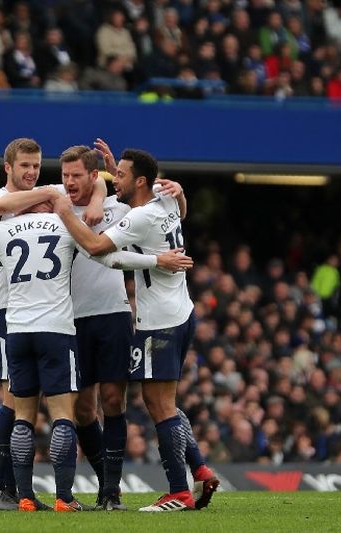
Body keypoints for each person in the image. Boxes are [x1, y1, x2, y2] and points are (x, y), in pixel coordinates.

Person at [0, 205, 191, 512]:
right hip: (56, 331)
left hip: (17, 332)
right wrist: (157, 260)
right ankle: (63, 496)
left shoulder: (1, 230)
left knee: (23, 417)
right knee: (63, 416)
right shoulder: (65, 225)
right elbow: (109, 257)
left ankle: (24, 496)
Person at [52, 148, 218, 512]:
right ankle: (198, 466)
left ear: (139, 181)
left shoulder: (139, 216)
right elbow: (175, 209)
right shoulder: (167, 200)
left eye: (121, 176)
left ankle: (178, 491)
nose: (115, 180)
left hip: (158, 321)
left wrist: (66, 212)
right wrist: (156, 254)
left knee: (159, 405)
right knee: (165, 402)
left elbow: (98, 247)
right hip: (180, 311)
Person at [0, 137, 106, 511]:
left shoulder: (44, 197)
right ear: (8, 168)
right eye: (24, 167)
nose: (31, 173)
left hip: (39, 316)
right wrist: (50, 194)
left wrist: (95, 198)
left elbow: (97, 181)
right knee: (13, 400)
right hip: (6, 309)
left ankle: (15, 491)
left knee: (25, 404)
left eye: (36, 166)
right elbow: (1, 204)